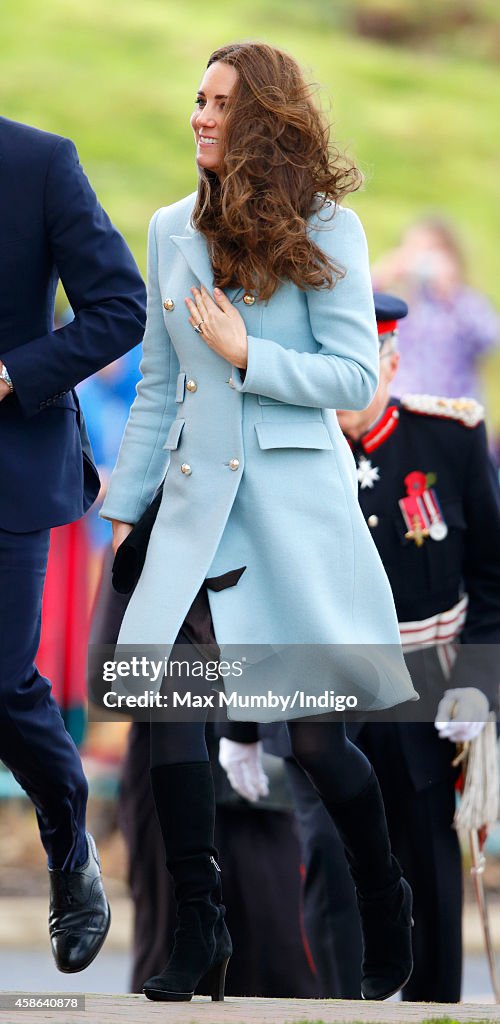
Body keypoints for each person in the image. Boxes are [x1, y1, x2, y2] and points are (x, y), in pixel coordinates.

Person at [100, 42, 417, 1003]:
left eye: (220, 102)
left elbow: (356, 380)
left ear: (264, 119)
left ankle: (382, 893)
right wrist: (125, 514)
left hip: (291, 518)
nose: (199, 114)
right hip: (191, 517)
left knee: (318, 742)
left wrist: (248, 357)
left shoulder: (333, 229)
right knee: (169, 714)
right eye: (196, 98)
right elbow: (158, 385)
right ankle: (201, 930)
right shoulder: (166, 230)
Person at [219, 291, 500, 1001]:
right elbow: (250, 588)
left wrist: (479, 682)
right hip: (316, 685)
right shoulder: (276, 447)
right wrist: (242, 727)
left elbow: (492, 577)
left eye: (355, 364)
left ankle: (433, 1012)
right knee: (331, 864)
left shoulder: (450, 438)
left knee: (432, 871)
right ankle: (346, 1015)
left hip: (425, 689)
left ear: (392, 360)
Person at [0, 116, 146, 972]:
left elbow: (121, 306)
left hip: (9, 467)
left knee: (3, 681)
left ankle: (67, 840)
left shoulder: (40, 162)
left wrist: (14, 373)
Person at [372, 216, 500, 402]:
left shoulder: (463, 301)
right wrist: (381, 277)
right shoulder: (395, 299)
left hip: (453, 409)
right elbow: (356, 316)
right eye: (413, 250)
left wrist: (451, 293)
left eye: (430, 252)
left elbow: (489, 340)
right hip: (401, 405)